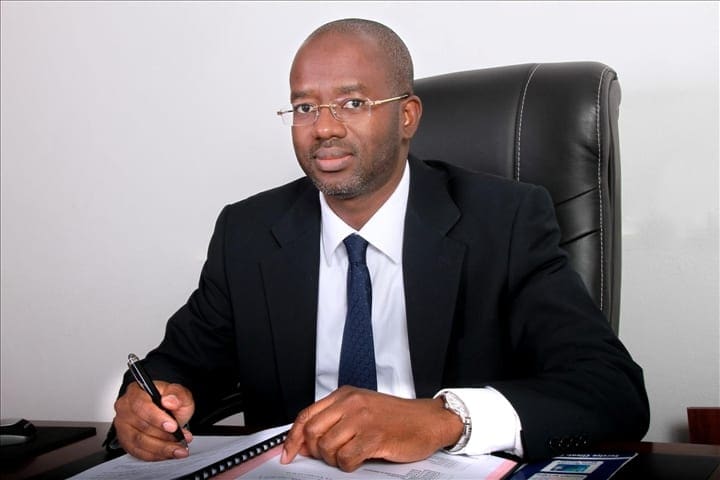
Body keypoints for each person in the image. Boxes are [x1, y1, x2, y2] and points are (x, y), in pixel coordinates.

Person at [110, 18, 650, 472]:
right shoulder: (249, 233)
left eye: (352, 102)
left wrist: (443, 418)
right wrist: (150, 408)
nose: (324, 128)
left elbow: (612, 392)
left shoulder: (502, 222)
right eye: (305, 107)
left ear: (406, 116)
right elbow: (171, 371)